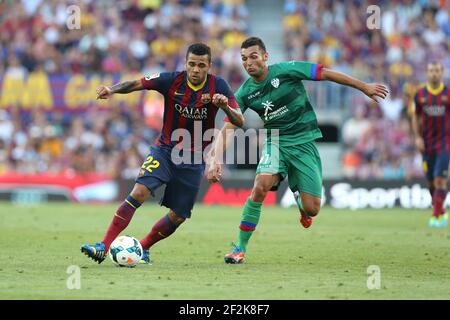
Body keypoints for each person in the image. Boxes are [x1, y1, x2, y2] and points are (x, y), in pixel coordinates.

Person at [207, 37, 388, 264]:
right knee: (260, 186)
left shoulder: (286, 70)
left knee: (312, 209)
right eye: (244, 59)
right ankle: (239, 248)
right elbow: (229, 127)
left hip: (303, 142)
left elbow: (326, 73)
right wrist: (215, 158)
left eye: (253, 56)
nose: (248, 63)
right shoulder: (244, 93)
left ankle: (300, 202)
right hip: (276, 141)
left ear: (265, 56)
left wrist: (364, 87)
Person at [81, 43, 244, 264]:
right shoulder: (171, 80)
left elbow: (239, 120)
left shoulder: (219, 86)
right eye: (192, 64)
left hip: (193, 159)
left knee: (178, 215)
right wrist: (112, 89)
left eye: (201, 65)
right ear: (186, 63)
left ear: (209, 66)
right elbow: (137, 83)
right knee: (139, 191)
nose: (195, 70)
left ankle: (144, 247)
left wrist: (224, 106)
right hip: (165, 151)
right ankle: (103, 245)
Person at [411, 61, 449, 228]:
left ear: (442, 73)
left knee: (440, 178)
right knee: (431, 181)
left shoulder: (448, 93)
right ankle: (440, 209)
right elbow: (415, 117)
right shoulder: (419, 94)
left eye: (437, 70)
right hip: (426, 143)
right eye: (431, 70)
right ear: (427, 73)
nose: (434, 73)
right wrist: (418, 137)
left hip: (445, 142)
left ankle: (435, 216)